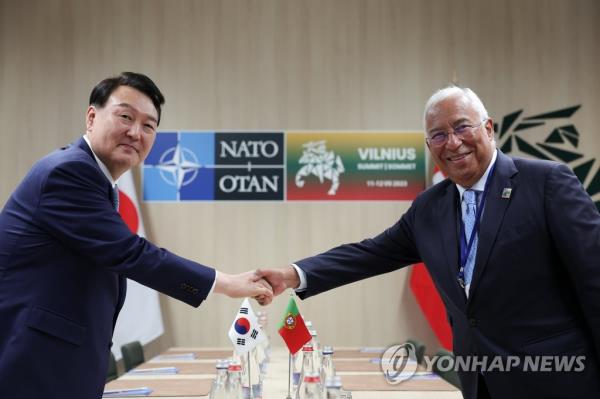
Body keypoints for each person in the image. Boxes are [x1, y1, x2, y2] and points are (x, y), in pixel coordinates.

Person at [257, 86, 600, 398]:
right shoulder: (429, 207)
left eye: (462, 127)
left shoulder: (546, 183)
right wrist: (292, 275)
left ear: (489, 128)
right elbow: (370, 253)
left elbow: (594, 280)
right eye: (438, 135)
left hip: (557, 381)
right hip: (480, 383)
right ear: (429, 146)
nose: (452, 142)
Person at [0, 72, 272, 398]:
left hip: (57, 364)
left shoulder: (97, 183)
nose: (135, 132)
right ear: (91, 117)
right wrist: (226, 283)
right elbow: (131, 253)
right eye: (126, 116)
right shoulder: (69, 171)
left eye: (148, 126)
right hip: (34, 366)